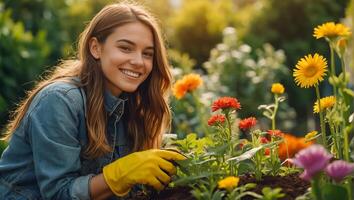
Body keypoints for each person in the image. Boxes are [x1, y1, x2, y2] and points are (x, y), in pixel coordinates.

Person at [0, 2, 185, 199]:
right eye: (125, 48)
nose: (139, 61)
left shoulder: (133, 106)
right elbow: (58, 194)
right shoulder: (59, 101)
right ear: (95, 48)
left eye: (147, 54)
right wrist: (120, 174)